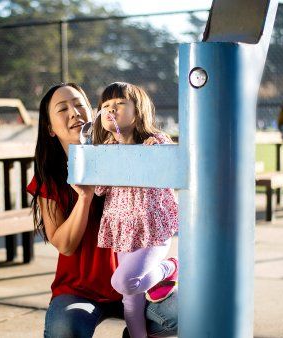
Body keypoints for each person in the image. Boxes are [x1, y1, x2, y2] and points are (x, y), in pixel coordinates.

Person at [27, 83, 177, 338]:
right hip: (80, 290)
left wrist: (150, 153)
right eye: (63, 109)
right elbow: (65, 245)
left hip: (133, 278)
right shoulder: (49, 179)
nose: (74, 112)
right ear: (50, 129)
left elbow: (163, 181)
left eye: (79, 104)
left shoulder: (116, 152)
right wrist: (84, 197)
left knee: (187, 313)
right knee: (65, 331)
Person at [92, 82, 178, 338]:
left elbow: (168, 175)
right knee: (130, 299)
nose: (111, 110)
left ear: (137, 111)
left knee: (123, 282)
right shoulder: (107, 148)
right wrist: (110, 153)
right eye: (105, 106)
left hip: (152, 229)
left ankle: (169, 267)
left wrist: (154, 154)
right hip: (122, 229)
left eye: (119, 104)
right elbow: (99, 189)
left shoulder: (156, 142)